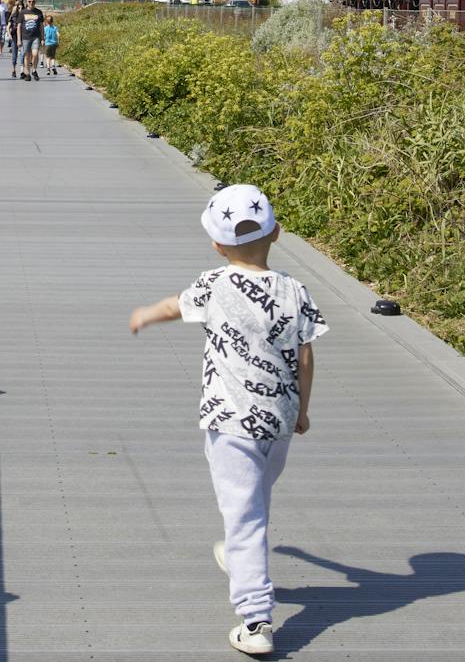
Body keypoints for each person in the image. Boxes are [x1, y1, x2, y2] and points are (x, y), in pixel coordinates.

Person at [128, 185, 327, 656]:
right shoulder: (295, 291)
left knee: (245, 515)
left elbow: (176, 306)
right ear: (276, 233)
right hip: (278, 421)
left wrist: (145, 315)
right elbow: (305, 355)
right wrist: (302, 409)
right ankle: (239, 557)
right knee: (252, 502)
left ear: (217, 245)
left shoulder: (214, 284)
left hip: (230, 421)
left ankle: (256, 619)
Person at [17, 0, 46, 81]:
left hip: (35, 37)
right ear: (27, 2)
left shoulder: (38, 12)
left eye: (33, 2)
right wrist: (19, 39)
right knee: (27, 56)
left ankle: (34, 70)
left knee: (35, 54)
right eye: (29, 2)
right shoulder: (23, 12)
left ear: (35, 2)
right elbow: (19, 26)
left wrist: (43, 38)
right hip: (26, 37)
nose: (31, 3)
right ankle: (27, 74)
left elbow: (42, 26)